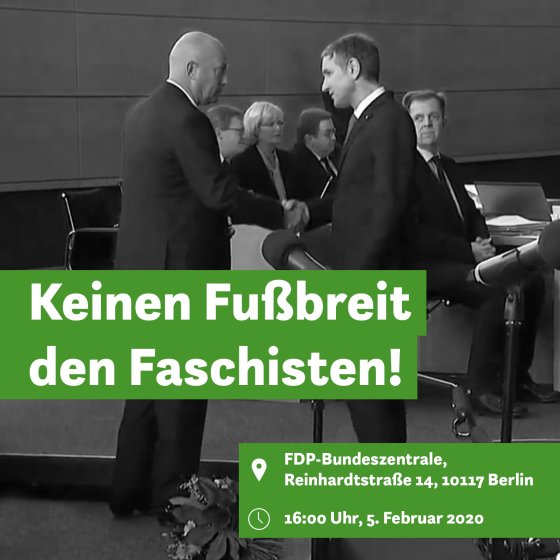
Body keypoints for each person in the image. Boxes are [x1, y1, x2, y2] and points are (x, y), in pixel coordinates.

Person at [110, 31, 307, 519]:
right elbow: (217, 192)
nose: (225, 80)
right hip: (181, 274)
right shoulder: (189, 119)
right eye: (219, 70)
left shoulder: (140, 114)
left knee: (146, 387)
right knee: (182, 394)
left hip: (141, 270)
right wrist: (279, 213)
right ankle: (174, 499)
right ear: (192, 68)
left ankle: (127, 488)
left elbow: (165, 196)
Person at [402, 89, 558, 415]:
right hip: (423, 265)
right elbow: (413, 232)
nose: (427, 124)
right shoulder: (404, 169)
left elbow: (471, 213)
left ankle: (515, 379)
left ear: (444, 122)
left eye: (433, 117)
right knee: (498, 290)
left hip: (463, 257)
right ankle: (481, 388)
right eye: (419, 118)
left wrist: (483, 242)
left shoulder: (448, 165)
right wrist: (468, 250)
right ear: (408, 124)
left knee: (531, 280)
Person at [321, 32, 417, 444]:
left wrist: (358, 281)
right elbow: (355, 197)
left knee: (372, 397)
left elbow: (389, 202)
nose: (325, 85)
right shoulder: (366, 120)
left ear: (354, 68)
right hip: (367, 274)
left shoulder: (389, 119)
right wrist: (307, 210)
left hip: (373, 278)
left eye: (329, 73)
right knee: (371, 395)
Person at [290, 108, 338, 199]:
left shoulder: (338, 153)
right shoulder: (295, 164)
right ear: (310, 139)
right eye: (328, 134)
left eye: (334, 132)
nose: (334, 138)